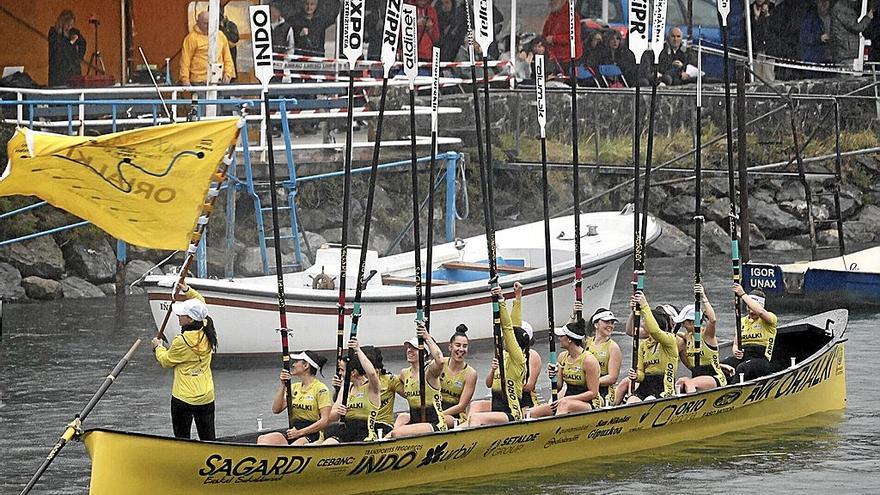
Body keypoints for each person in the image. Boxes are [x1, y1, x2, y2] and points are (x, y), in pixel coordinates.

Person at [151, 282, 218, 440]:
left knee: (182, 439)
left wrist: (158, 347)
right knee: (209, 439)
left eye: (182, 315)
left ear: (190, 319)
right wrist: (187, 290)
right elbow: (200, 301)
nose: (178, 316)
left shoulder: (181, 341)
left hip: (183, 398)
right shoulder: (208, 327)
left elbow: (166, 361)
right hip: (206, 396)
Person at [464, 286, 527, 426]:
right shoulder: (503, 356)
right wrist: (518, 297)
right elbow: (514, 325)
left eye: (508, 339)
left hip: (511, 413)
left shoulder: (518, 360)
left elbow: (508, 329)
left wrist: (501, 300)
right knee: (474, 408)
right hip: (497, 409)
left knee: (475, 419)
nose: (505, 339)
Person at [529, 319, 601, 418]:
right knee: (533, 412)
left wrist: (567, 399)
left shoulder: (588, 360)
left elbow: (593, 393)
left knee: (563, 405)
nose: (559, 338)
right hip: (567, 399)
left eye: (561, 336)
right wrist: (553, 375)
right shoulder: (562, 356)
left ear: (569, 339)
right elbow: (559, 386)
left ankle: (556, 430)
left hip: (589, 402)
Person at [256, 350, 331, 445]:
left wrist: (300, 432)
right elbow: (276, 409)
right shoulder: (294, 387)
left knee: (295, 446)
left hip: (313, 434)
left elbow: (324, 421)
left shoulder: (321, 389)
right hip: (293, 431)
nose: (293, 365)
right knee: (263, 439)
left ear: (305, 366)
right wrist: (283, 384)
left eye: (296, 362)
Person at [389, 323, 449, 436]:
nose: (410, 350)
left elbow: (440, 361)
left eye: (415, 348)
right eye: (409, 347)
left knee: (396, 434)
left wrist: (427, 337)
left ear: (425, 354)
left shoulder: (429, 372)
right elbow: (388, 384)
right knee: (401, 418)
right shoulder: (404, 373)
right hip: (416, 422)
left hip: (434, 424)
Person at [320, 337, 382, 443]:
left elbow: (371, 373)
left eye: (342, 370)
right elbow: (330, 417)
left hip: (365, 434)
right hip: (346, 431)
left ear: (353, 372)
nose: (339, 374)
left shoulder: (371, 388)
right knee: (329, 441)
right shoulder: (345, 388)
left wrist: (357, 349)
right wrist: (338, 412)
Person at [625, 291, 679, 403]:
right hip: (646, 385)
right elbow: (641, 373)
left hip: (664, 385)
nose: (643, 321)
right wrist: (636, 376)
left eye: (645, 320)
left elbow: (655, 331)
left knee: (649, 401)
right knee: (631, 401)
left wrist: (644, 305)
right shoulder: (644, 345)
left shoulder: (670, 340)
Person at [674, 284, 726, 394]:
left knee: (689, 383)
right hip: (696, 376)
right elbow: (669, 335)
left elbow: (713, 320)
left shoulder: (707, 335)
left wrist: (703, 296)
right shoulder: (688, 336)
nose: (683, 325)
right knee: (679, 382)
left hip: (713, 377)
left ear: (694, 322)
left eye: (685, 323)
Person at [721, 285, 778, 382]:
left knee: (742, 368)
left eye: (752, 308)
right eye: (748, 307)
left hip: (761, 359)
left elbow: (760, 312)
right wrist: (735, 350)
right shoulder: (742, 321)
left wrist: (742, 294)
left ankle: (732, 392)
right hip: (744, 356)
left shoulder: (770, 318)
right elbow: (735, 343)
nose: (751, 311)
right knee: (720, 365)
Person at [179, 10, 236, 85]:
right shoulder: (191, 38)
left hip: (219, 79)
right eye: (205, 23)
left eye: (210, 23)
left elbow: (227, 57)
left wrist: (228, 74)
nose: (208, 26)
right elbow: (185, 60)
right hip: (199, 81)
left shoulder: (220, 35)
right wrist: (185, 79)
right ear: (198, 22)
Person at [439, 324, 478, 428]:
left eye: (464, 346)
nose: (461, 349)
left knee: (443, 420)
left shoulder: (471, 374)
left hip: (454, 415)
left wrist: (439, 415)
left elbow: (461, 406)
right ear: (450, 347)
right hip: (436, 409)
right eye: (458, 345)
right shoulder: (440, 364)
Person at [586, 305, 622, 405]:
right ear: (596, 325)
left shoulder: (613, 347)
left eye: (612, 323)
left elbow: (612, 377)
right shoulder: (586, 342)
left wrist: (591, 382)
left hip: (604, 390)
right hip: (585, 385)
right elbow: (568, 336)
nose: (610, 325)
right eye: (606, 322)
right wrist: (574, 314)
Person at [362, 346, 400, 435]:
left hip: (383, 425)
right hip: (364, 424)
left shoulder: (390, 380)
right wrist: (337, 389)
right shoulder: (357, 382)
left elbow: (410, 395)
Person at [543, 0, 583, 75]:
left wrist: (554, 39)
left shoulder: (572, 16)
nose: (551, 2)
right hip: (555, 57)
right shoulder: (552, 16)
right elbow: (545, 33)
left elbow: (574, 37)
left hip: (569, 58)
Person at [48, 10, 86, 87]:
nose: (70, 27)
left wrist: (78, 59)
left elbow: (83, 43)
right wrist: (71, 42)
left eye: (72, 24)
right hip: (58, 72)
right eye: (68, 24)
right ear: (63, 22)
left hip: (73, 72)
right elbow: (59, 50)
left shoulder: (74, 32)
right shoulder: (54, 33)